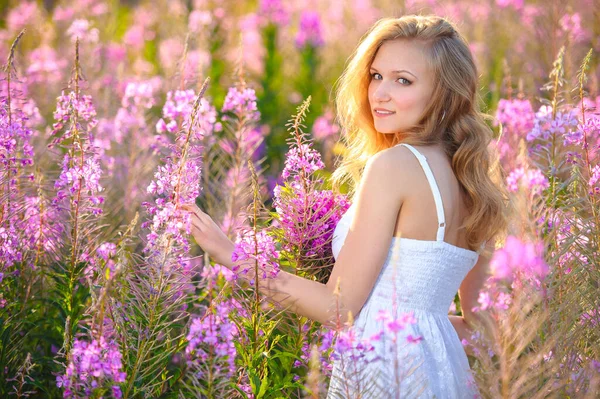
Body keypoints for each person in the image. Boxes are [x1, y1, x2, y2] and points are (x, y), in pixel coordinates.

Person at [184, 14, 508, 399]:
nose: (380, 93)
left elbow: (339, 309)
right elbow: (479, 328)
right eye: (375, 76)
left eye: (403, 80)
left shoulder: (394, 166)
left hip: (381, 372)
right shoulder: (473, 182)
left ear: (445, 93)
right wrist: (422, 323)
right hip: (440, 375)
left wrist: (230, 255)